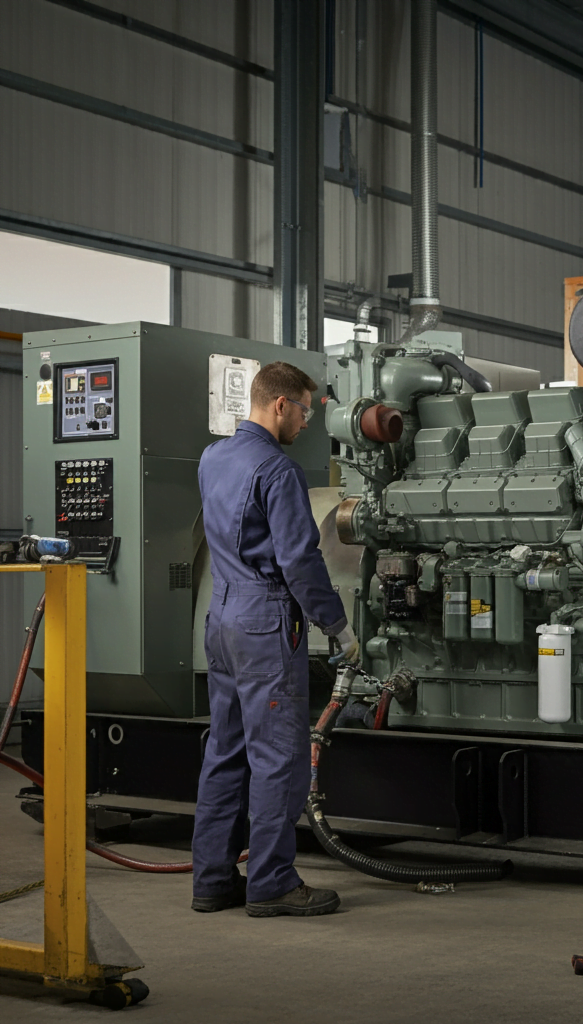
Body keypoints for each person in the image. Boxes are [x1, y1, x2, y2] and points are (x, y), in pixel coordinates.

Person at [191, 361, 352, 918]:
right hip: (264, 624)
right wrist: (339, 626)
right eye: (305, 409)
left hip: (222, 617)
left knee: (224, 750)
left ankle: (212, 880)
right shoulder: (278, 471)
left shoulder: (213, 459)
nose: (308, 421)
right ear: (279, 405)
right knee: (278, 757)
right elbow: (300, 562)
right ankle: (271, 882)